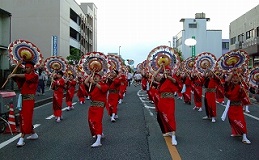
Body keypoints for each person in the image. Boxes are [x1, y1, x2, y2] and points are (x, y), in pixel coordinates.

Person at [9, 61, 39, 147]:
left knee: (26, 117)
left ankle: (21, 138)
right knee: (22, 117)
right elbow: (19, 80)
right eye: (25, 67)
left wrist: (15, 75)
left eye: (28, 67)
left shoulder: (35, 76)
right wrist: (13, 73)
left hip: (29, 100)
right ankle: (33, 134)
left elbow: (27, 77)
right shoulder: (26, 76)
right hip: (22, 99)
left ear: (32, 68)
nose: (26, 69)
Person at [153, 64, 178, 146]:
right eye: (165, 71)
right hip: (162, 101)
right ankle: (168, 131)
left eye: (168, 71)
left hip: (170, 101)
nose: (166, 72)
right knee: (161, 116)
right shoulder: (161, 80)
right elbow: (154, 76)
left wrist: (167, 75)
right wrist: (160, 67)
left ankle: (173, 135)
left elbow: (174, 81)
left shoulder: (172, 79)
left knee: (170, 116)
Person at [224, 72, 251, 144]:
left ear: (239, 79)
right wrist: (232, 73)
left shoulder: (241, 87)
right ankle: (237, 132)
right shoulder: (229, 86)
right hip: (231, 106)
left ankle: (244, 136)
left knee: (241, 120)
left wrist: (241, 79)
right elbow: (226, 81)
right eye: (234, 78)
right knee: (232, 119)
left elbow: (245, 94)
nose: (235, 79)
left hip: (238, 107)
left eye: (237, 78)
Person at [84, 72, 109, 147]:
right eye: (94, 76)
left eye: (97, 77)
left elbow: (102, 89)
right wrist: (91, 74)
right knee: (90, 121)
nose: (95, 77)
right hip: (92, 106)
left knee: (97, 121)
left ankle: (98, 140)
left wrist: (94, 82)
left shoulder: (104, 85)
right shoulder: (92, 86)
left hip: (99, 106)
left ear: (100, 78)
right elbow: (85, 82)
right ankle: (99, 133)